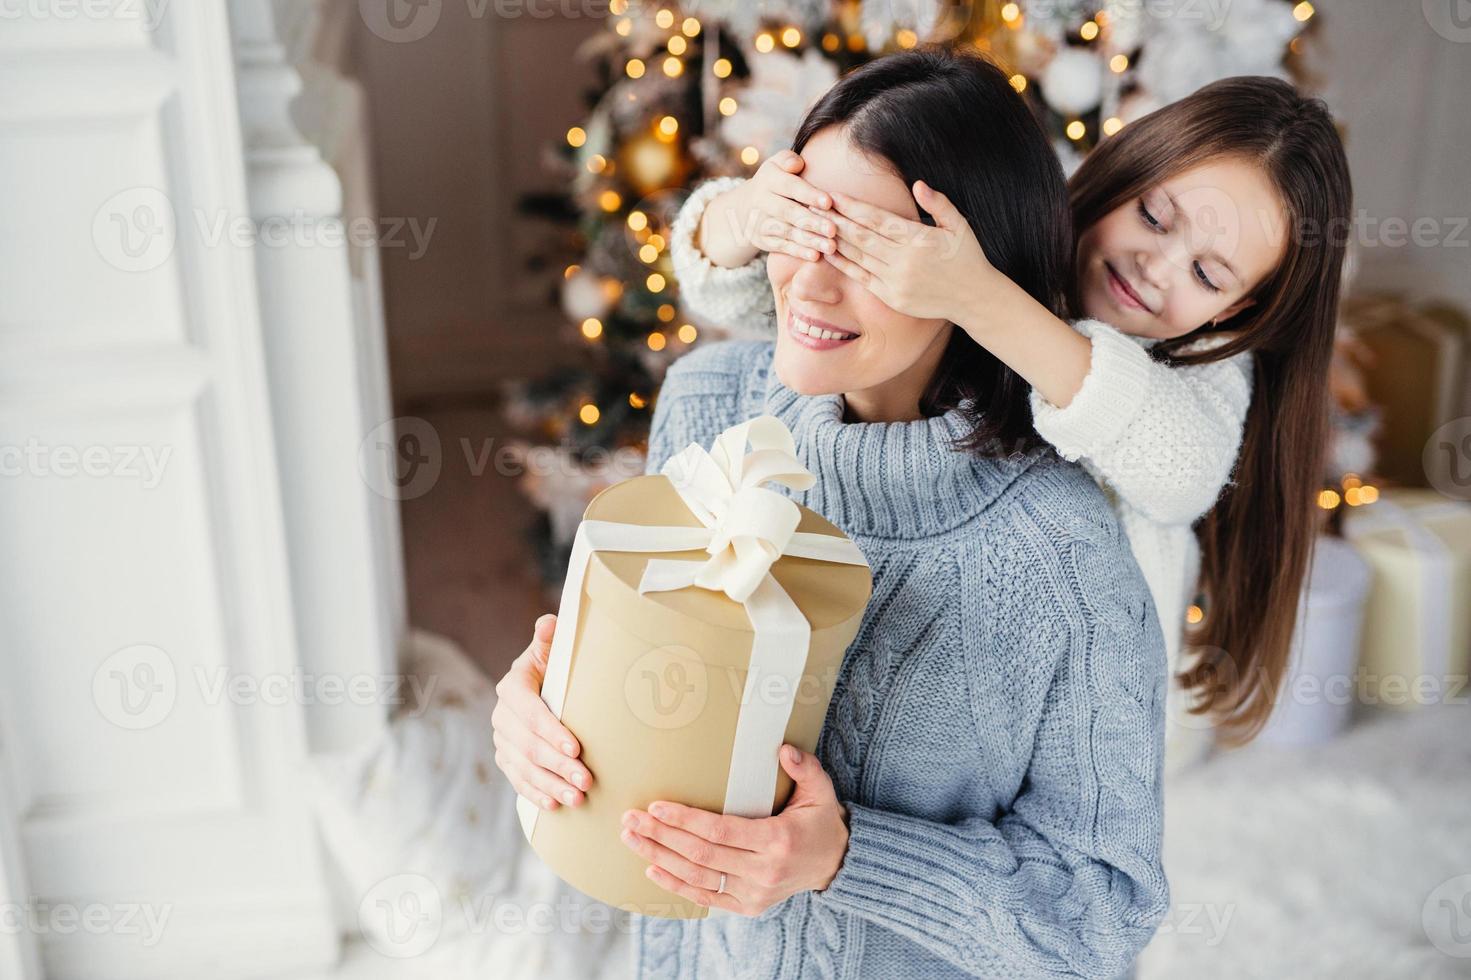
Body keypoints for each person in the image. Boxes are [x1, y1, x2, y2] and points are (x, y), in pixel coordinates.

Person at [493, 48, 1168, 978]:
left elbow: (1102, 913)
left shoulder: (1061, 552)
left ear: (968, 272)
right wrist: (538, 713)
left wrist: (844, 858)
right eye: (799, 225)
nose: (808, 284)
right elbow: (641, 710)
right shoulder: (707, 405)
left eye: (866, 249)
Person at [672, 74, 1352, 754]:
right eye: (1152, 216)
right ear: (1120, 172)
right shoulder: (1011, 238)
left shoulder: (1203, 368)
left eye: (1207, 275)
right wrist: (745, 216)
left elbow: (1183, 470)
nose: (1155, 267)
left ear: (1234, 311)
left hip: (1085, 724)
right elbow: (772, 305)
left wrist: (978, 298)